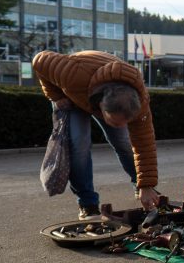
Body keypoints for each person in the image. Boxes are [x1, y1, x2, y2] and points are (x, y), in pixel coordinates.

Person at [32, 50, 160, 218]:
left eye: (126, 122)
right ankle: (88, 203)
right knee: (79, 145)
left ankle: (139, 185)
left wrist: (146, 185)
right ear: (101, 106)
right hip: (73, 92)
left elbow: (144, 144)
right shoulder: (72, 74)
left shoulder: (140, 103)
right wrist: (54, 96)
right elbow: (39, 61)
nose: (122, 126)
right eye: (116, 122)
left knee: (123, 141)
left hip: (98, 87)